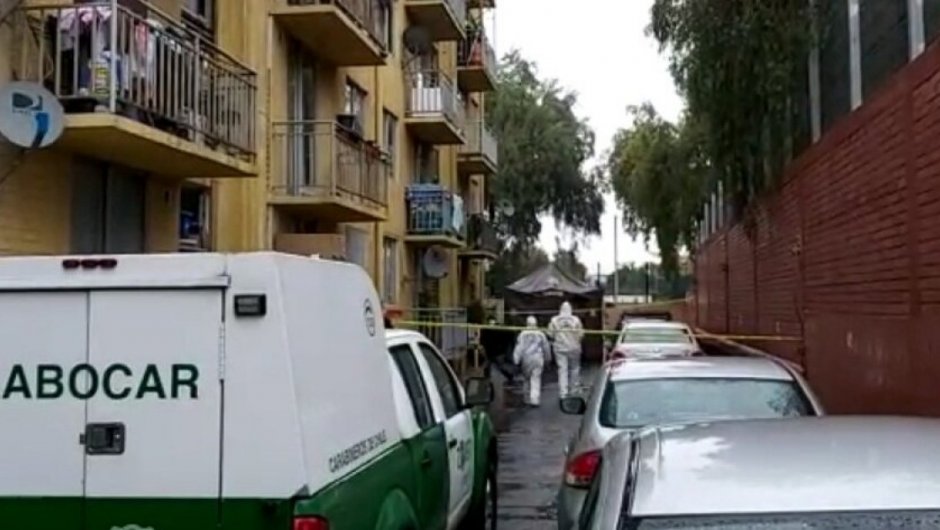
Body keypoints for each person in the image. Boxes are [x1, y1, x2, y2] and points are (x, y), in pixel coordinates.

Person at [548, 301, 585, 398]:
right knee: (574, 369)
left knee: (562, 370)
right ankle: (574, 390)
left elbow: (550, 334)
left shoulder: (554, 320)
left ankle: (563, 392)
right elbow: (581, 334)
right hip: (574, 348)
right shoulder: (576, 320)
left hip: (560, 349)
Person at [512, 315, 551, 407]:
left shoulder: (522, 334)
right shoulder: (540, 334)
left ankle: (526, 398)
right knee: (535, 378)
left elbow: (519, 348)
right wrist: (548, 359)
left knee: (526, 378)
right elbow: (546, 347)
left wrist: (516, 360)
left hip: (527, 359)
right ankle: (534, 399)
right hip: (538, 358)